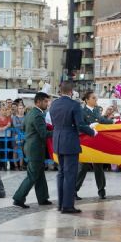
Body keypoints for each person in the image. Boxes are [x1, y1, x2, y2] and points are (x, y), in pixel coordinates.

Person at [50, 81, 98, 214]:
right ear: (71, 92)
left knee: (61, 174)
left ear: (61, 91)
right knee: (70, 175)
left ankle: (61, 204)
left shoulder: (54, 104)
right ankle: (67, 205)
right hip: (70, 142)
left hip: (58, 140)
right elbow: (80, 125)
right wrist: (92, 132)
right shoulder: (74, 105)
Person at [12, 93, 53, 208]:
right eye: (45, 101)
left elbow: (25, 129)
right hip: (35, 149)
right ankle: (18, 198)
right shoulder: (38, 115)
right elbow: (43, 134)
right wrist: (59, 132)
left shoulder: (30, 113)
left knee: (39, 174)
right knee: (32, 175)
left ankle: (43, 198)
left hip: (31, 147)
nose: (47, 104)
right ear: (38, 102)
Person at [76, 91, 114, 200]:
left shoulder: (97, 110)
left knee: (99, 166)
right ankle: (74, 190)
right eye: (93, 98)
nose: (95, 100)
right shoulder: (81, 111)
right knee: (83, 167)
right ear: (87, 100)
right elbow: (80, 125)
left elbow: (101, 120)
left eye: (96, 98)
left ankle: (101, 190)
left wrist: (112, 122)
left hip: (96, 141)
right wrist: (89, 126)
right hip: (86, 142)